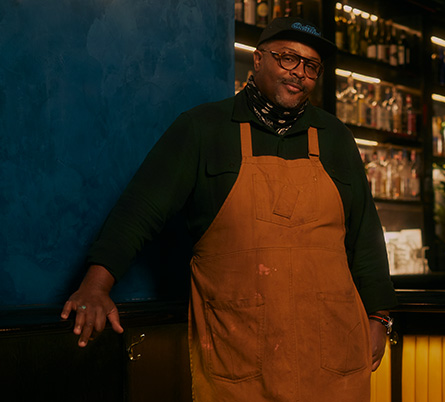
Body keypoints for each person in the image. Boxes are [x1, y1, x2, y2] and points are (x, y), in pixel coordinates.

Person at [60, 17, 397, 401]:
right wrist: (96, 285)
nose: (299, 73)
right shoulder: (203, 128)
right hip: (240, 356)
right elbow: (140, 210)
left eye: (311, 65)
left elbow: (365, 235)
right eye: (288, 58)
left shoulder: (336, 137)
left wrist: (379, 316)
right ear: (258, 59)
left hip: (332, 355)